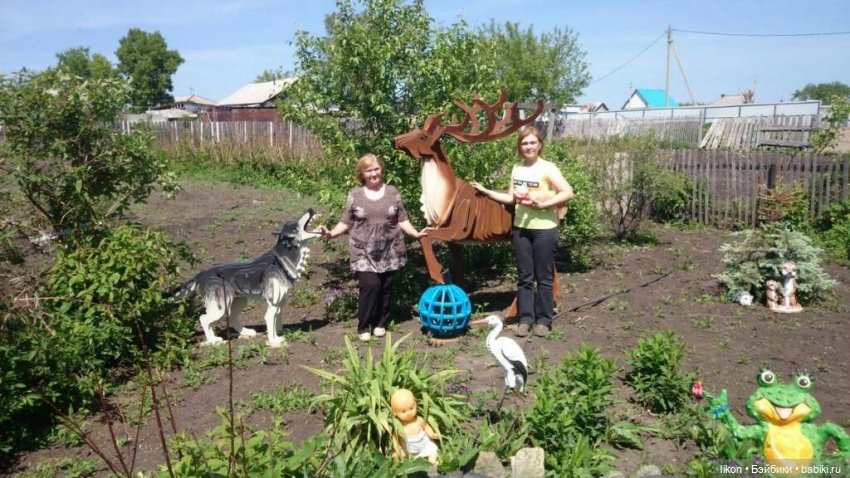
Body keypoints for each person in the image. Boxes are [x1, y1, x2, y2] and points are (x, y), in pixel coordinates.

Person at [470, 126, 574, 337]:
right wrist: (486, 191)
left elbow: (568, 192)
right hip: (521, 229)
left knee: (543, 276)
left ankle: (544, 320)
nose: (528, 147)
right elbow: (511, 198)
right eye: (524, 143)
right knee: (524, 276)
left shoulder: (548, 168)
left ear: (540, 145)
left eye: (532, 143)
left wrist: (546, 204)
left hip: (544, 229)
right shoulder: (517, 168)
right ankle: (526, 318)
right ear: (520, 147)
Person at [320, 154, 425, 341]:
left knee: (386, 287)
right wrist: (331, 234)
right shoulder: (355, 195)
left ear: (381, 169)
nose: (374, 173)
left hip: (390, 248)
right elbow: (345, 222)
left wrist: (415, 234)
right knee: (371, 285)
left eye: (376, 169)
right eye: (369, 170)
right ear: (362, 173)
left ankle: (380, 323)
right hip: (362, 249)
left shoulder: (393, 192)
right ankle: (364, 325)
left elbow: (402, 219)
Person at [390, 388, 440, 465]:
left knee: (433, 449)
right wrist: (397, 449)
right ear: (394, 412)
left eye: (411, 408)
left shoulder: (419, 420)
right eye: (403, 411)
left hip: (424, 445)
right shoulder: (398, 427)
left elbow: (426, 426)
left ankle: (432, 462)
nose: (408, 413)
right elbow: (395, 439)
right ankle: (401, 465)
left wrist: (431, 434)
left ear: (415, 405)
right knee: (396, 456)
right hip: (407, 449)